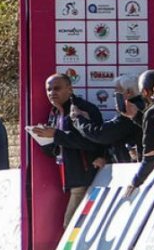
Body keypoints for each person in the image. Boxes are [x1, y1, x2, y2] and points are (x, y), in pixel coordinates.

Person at [32, 74, 104, 228]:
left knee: (71, 226)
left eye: (57, 88)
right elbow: (55, 150)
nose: (52, 93)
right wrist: (43, 139)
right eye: (48, 89)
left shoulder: (82, 109)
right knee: (75, 227)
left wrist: (55, 134)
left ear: (70, 89)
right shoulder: (55, 113)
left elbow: (92, 141)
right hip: (72, 179)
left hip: (87, 178)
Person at [73, 75, 144, 163]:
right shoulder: (140, 106)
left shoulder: (130, 111)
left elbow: (101, 134)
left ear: (128, 92)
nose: (113, 94)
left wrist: (78, 118)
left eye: (117, 91)